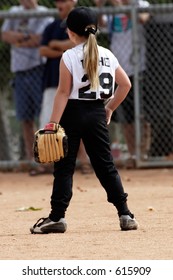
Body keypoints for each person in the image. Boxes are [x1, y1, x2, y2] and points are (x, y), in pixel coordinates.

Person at [30, 6, 138, 234]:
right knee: (105, 166)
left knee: (64, 168)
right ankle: (125, 214)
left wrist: (52, 125)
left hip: (72, 113)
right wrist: (109, 109)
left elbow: (62, 93)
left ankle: (57, 217)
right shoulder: (107, 54)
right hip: (97, 113)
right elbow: (125, 85)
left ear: (70, 32)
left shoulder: (68, 56)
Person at [38, 0, 93, 175]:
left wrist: (57, 46)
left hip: (76, 83)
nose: (59, 3)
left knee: (79, 123)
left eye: (63, 0)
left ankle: (84, 162)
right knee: (48, 122)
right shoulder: (51, 26)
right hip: (53, 81)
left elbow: (79, 46)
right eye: (57, 1)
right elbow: (43, 50)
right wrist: (64, 52)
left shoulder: (81, 23)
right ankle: (47, 161)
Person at [95, 0, 151, 168]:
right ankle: (133, 154)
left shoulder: (141, 4)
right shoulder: (112, 10)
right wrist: (99, 7)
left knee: (144, 115)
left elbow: (143, 19)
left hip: (139, 67)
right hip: (119, 69)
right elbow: (100, 25)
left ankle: (144, 153)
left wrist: (121, 6)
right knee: (125, 117)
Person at [1, 0, 53, 163]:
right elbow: (5, 35)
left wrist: (19, 40)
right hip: (19, 72)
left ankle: (45, 157)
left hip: (38, 70)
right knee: (25, 118)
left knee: (42, 117)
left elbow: (41, 39)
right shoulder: (14, 11)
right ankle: (31, 159)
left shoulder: (44, 13)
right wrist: (26, 38)